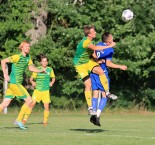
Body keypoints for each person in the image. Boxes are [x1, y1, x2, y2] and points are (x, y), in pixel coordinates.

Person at [0, 41, 44, 129]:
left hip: (15, 84)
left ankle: (18, 120)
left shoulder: (28, 58)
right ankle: (19, 120)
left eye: (29, 46)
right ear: (22, 48)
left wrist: (40, 70)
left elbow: (31, 68)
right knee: (29, 100)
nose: (28, 48)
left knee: (4, 104)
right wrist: (5, 74)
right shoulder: (17, 57)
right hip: (15, 83)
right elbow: (3, 61)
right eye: (26, 46)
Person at [73, 25, 116, 115]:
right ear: (89, 34)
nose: (95, 32)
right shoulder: (85, 42)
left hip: (88, 61)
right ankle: (90, 108)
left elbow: (92, 52)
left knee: (101, 71)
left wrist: (97, 60)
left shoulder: (90, 40)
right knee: (88, 85)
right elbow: (95, 48)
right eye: (93, 31)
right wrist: (110, 45)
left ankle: (107, 92)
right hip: (80, 65)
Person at [90, 32, 127, 126]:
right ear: (108, 40)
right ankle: (97, 116)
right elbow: (108, 64)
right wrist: (120, 66)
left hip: (93, 70)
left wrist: (97, 60)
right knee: (104, 95)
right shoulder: (110, 49)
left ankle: (93, 113)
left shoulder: (98, 44)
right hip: (102, 73)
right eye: (112, 37)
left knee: (95, 92)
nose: (113, 39)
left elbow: (93, 54)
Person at [22, 54, 55, 126]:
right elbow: (31, 79)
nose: (45, 62)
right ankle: (24, 119)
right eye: (43, 61)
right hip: (37, 91)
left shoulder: (50, 69)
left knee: (46, 106)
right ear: (40, 62)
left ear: (47, 62)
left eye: (46, 61)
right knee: (32, 104)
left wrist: (52, 82)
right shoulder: (37, 69)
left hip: (46, 91)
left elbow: (53, 78)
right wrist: (33, 82)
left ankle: (45, 122)